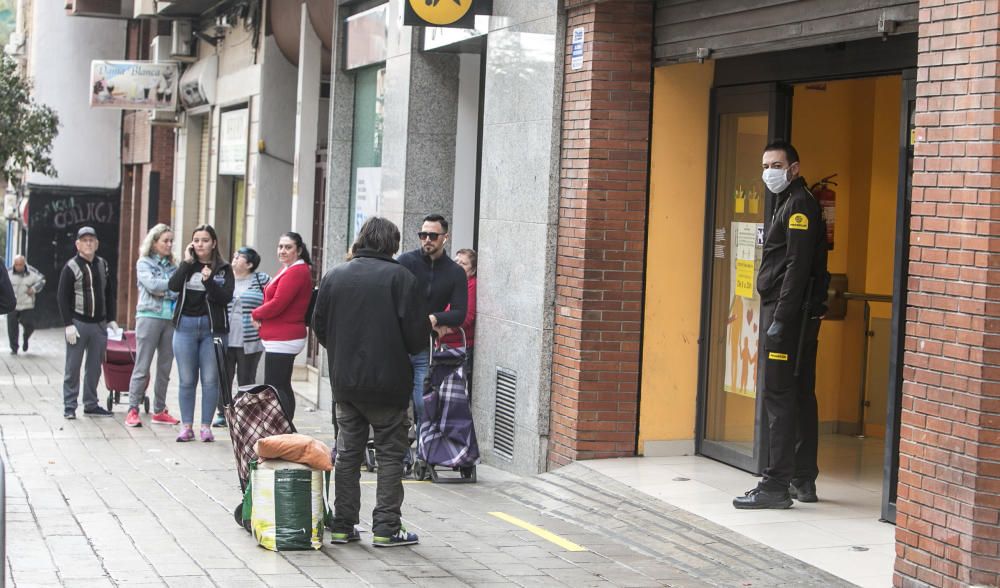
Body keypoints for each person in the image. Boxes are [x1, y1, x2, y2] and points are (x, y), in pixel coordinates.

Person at [313, 216, 429, 547]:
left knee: (348, 454)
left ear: (361, 239)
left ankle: (342, 525)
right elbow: (418, 337)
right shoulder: (402, 278)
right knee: (391, 455)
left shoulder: (335, 276)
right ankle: (386, 528)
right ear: (391, 244)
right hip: (389, 385)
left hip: (346, 384)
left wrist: (342, 352)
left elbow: (319, 326)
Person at [733, 140, 830, 509]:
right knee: (801, 393)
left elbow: (796, 267)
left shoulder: (799, 205)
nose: (768, 172)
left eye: (776, 164)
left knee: (779, 395)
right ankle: (803, 478)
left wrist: (782, 321)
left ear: (794, 167)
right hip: (796, 314)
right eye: (765, 165)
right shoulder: (792, 201)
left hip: (788, 315)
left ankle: (775, 484)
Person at [396, 214, 467, 437]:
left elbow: (459, 313)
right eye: (423, 235)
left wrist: (436, 318)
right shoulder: (405, 262)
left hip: (423, 346)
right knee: (396, 402)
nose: (427, 239)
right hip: (396, 342)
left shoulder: (455, 272)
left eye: (433, 236)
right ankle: (401, 453)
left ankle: (423, 449)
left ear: (445, 238)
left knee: (421, 401)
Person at [168, 225, 234, 442]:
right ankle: (187, 426)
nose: (200, 244)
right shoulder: (187, 265)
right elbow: (173, 286)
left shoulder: (223, 268)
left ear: (214, 243)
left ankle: (206, 426)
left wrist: (209, 282)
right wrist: (187, 263)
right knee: (187, 379)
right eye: (196, 240)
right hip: (185, 327)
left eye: (205, 240)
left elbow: (224, 298)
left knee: (210, 379)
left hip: (211, 328)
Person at [250, 232, 313, 423]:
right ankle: (284, 426)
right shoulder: (288, 268)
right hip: (281, 338)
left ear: (299, 250)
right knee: (281, 385)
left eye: (288, 247)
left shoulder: (297, 271)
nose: (282, 251)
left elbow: (279, 303)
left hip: (284, 339)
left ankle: (282, 426)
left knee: (276, 386)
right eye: (280, 246)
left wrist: (256, 313)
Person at [58, 226, 119, 419]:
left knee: (94, 368)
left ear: (97, 244)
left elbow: (109, 293)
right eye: (84, 240)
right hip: (78, 324)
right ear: (77, 244)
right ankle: (69, 407)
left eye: (91, 240)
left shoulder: (102, 264)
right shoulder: (71, 267)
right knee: (73, 367)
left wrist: (111, 319)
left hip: (99, 325)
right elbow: (62, 297)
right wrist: (68, 324)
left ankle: (91, 404)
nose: (88, 243)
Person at [125, 224, 181, 428]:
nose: (169, 244)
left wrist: (163, 288)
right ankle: (132, 409)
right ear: (154, 241)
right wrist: (168, 286)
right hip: (149, 316)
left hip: (170, 319)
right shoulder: (144, 263)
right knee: (142, 365)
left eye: (171, 241)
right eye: (165, 241)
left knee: (165, 367)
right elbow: (152, 285)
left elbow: (176, 289)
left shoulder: (174, 266)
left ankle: (159, 410)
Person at [213, 247, 270, 428]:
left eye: (240, 257)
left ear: (250, 264)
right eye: (234, 255)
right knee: (224, 376)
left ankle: (245, 414)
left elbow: (273, 301)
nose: (235, 258)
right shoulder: (224, 279)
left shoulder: (262, 280)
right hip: (226, 337)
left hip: (251, 339)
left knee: (246, 378)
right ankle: (223, 413)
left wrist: (263, 319)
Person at [439, 248, 477, 379]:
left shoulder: (472, 285)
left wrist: (444, 330)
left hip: (458, 349)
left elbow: (467, 317)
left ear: (472, 270)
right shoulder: (452, 282)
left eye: (463, 263)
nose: (457, 265)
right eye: (456, 261)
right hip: (443, 345)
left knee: (454, 393)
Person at [8, 255, 45, 354]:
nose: (18, 267)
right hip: (12, 305)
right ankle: (14, 348)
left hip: (27, 304)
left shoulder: (32, 272)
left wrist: (33, 289)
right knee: (12, 328)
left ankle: (26, 338)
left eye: (20, 265)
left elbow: (42, 280)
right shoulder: (8, 273)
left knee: (30, 325)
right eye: (16, 264)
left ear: (24, 264)